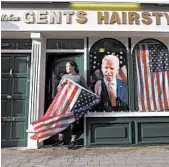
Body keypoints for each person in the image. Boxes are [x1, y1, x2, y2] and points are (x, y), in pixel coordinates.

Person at [54, 60, 89, 149]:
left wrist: (93, 95)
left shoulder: (79, 77)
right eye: (66, 66)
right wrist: (62, 84)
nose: (66, 68)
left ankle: (73, 141)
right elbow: (58, 89)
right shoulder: (65, 77)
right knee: (62, 120)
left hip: (75, 103)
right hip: (65, 103)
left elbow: (85, 88)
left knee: (73, 121)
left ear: (73, 67)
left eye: (68, 66)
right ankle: (60, 140)